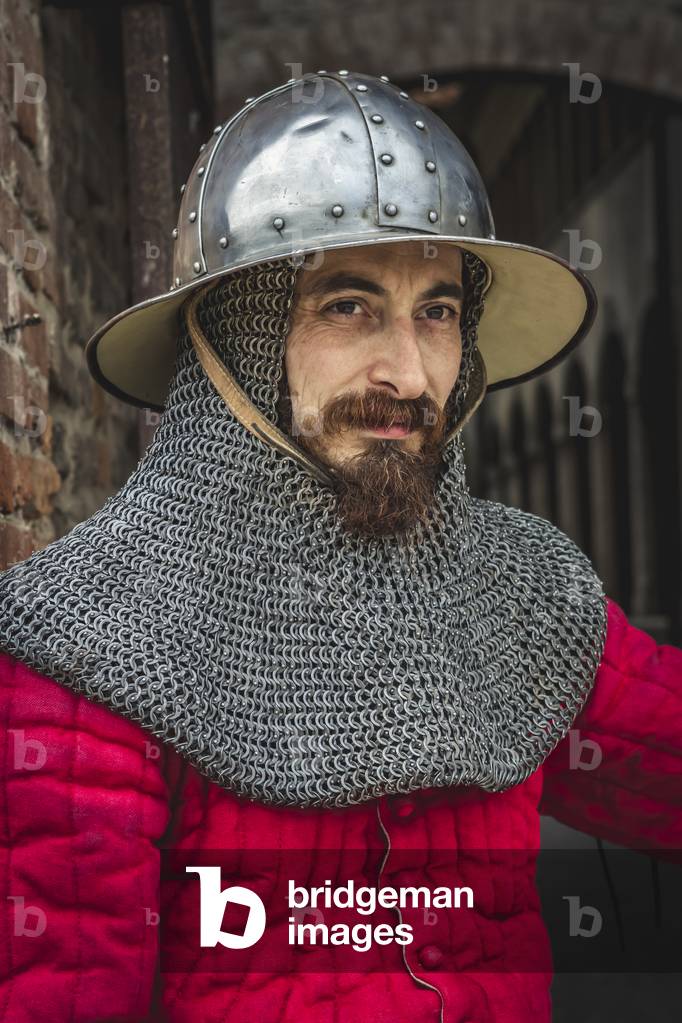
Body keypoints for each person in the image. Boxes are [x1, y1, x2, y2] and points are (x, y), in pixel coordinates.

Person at [0, 70, 680, 1023]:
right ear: (239, 338)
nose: (407, 372)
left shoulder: (517, 595)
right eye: (348, 305)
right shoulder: (93, 643)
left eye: (437, 311)